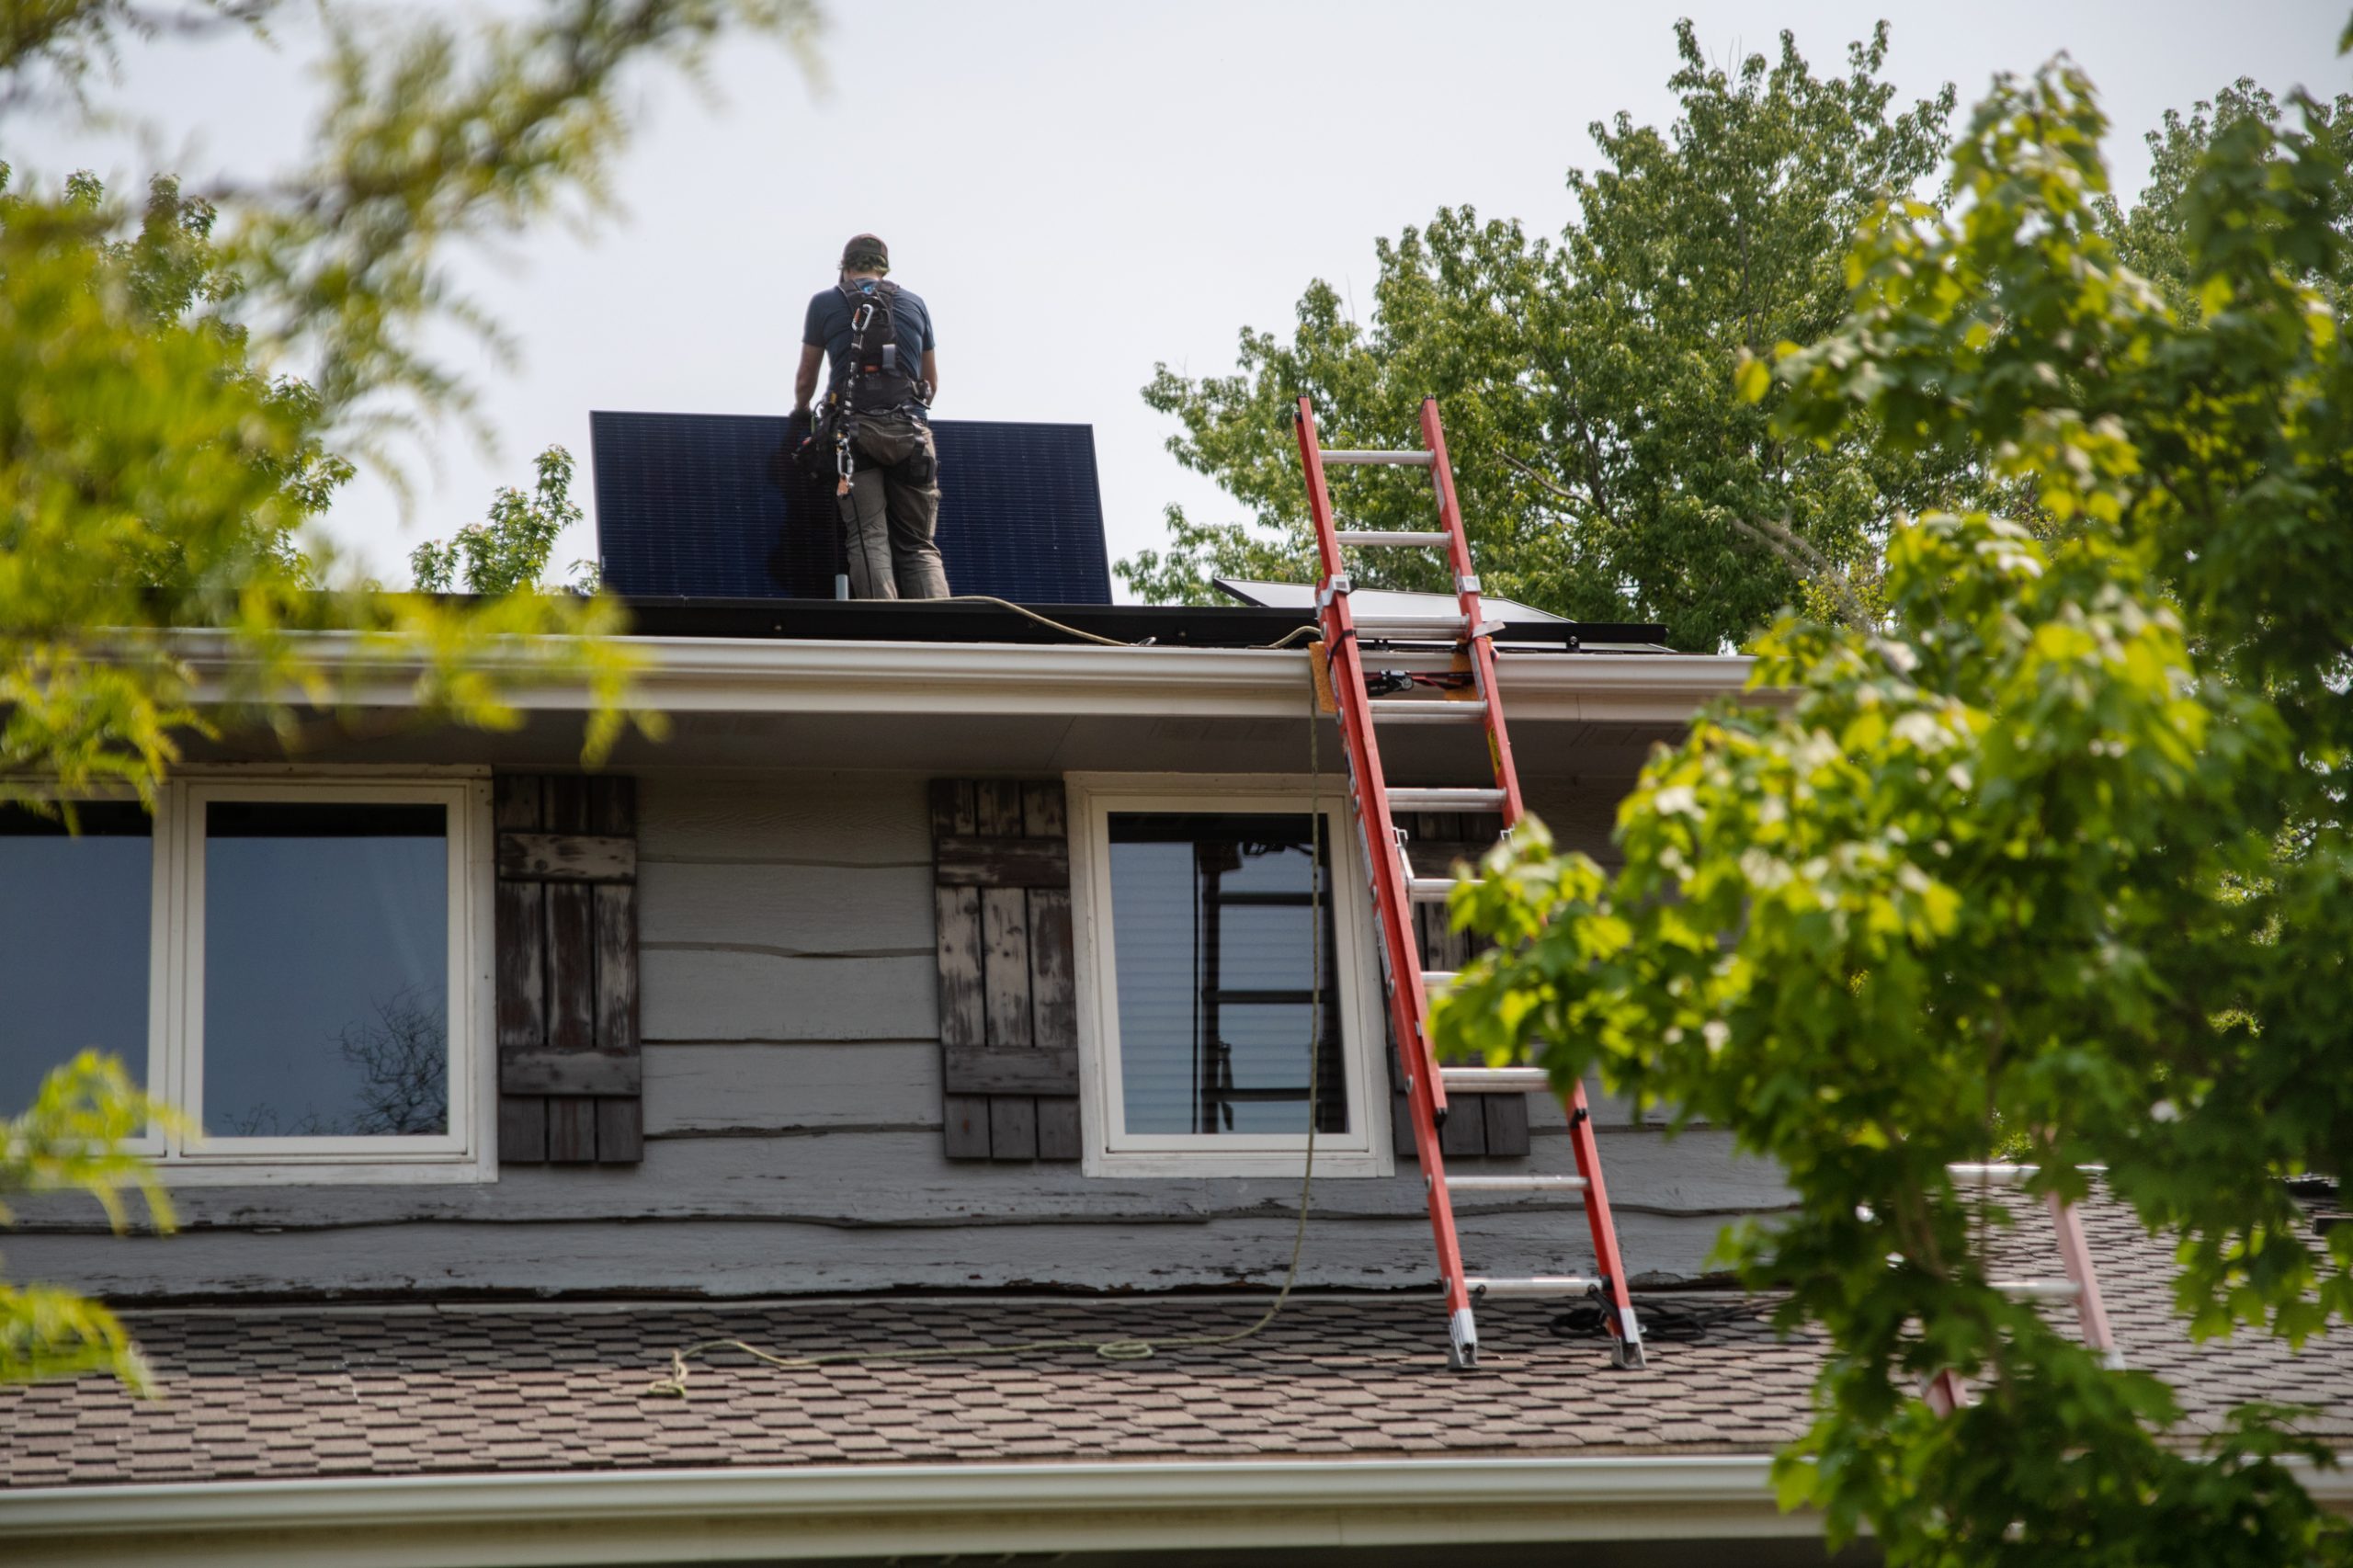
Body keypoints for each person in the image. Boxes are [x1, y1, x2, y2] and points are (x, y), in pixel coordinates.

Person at [792, 233, 949, 599]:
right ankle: (942, 633)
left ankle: (886, 633)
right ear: (884, 268)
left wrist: (801, 412)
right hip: (911, 433)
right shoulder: (915, 303)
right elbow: (932, 383)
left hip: (855, 434)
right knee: (919, 545)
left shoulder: (825, 302)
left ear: (845, 268)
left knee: (869, 537)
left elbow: (805, 378)